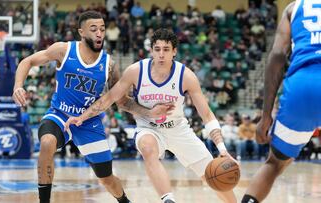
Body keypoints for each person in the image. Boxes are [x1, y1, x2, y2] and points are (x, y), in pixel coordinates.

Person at [12, 11, 171, 203]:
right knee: (47, 143)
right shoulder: (63, 50)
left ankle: (125, 201)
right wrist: (18, 85)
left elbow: (122, 101)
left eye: (102, 29)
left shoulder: (109, 64)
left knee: (106, 178)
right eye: (94, 29)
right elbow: (27, 61)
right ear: (81, 32)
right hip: (60, 114)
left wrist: (149, 112)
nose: (99, 34)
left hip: (88, 122)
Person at [65, 28, 237, 203]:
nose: (161, 54)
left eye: (166, 49)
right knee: (148, 148)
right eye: (157, 49)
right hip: (148, 127)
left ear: (174, 52)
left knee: (213, 175)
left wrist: (222, 149)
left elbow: (207, 115)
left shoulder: (186, 76)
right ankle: (168, 199)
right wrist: (82, 117)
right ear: (152, 50)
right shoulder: (136, 71)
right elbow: (110, 98)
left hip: (178, 129)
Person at [242, 2, 321, 202]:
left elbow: (277, 56)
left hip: (304, 86)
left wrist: (266, 115)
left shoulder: (293, 8)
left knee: (275, 163)